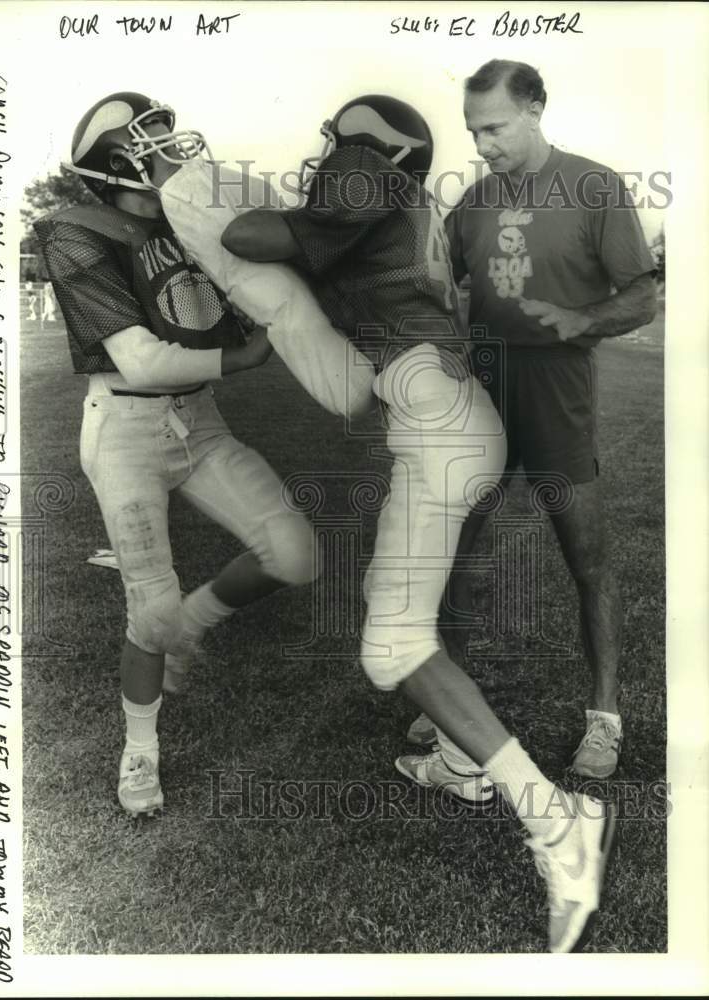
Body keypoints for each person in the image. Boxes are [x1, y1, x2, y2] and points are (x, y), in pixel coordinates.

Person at [220, 94, 617, 953]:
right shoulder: (403, 203)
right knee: (391, 605)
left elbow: (250, 237)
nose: (327, 156)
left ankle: (556, 823)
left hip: (438, 423)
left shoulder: (368, 183)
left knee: (392, 645)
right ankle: (461, 761)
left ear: (374, 154)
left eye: (341, 146)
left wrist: (267, 208)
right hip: (444, 415)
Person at [35, 92, 317, 818]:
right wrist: (248, 355)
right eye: (152, 138)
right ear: (116, 160)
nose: (171, 146)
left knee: (294, 553)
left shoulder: (188, 220)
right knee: (149, 611)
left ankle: (194, 624)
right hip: (126, 429)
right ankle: (140, 746)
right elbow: (143, 361)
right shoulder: (75, 230)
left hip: (201, 421)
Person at [406, 60, 657, 778]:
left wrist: (581, 316)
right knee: (457, 545)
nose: (483, 144)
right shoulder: (475, 201)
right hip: (482, 388)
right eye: (473, 131)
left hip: (557, 388)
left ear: (537, 108)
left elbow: (643, 296)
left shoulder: (594, 186)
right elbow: (434, 280)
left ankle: (604, 718)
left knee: (588, 556)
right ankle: (449, 701)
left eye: (496, 127)